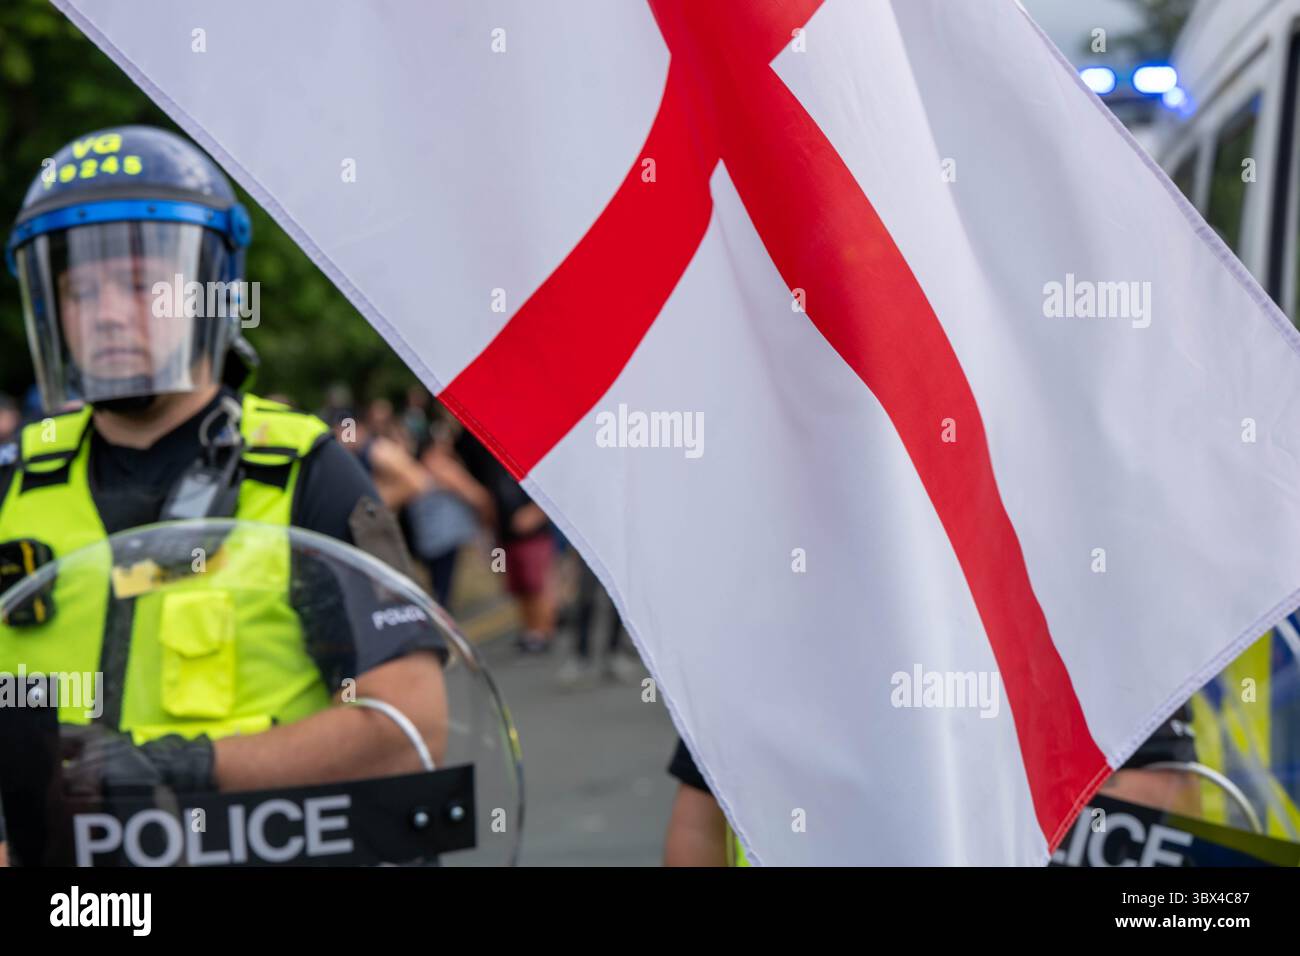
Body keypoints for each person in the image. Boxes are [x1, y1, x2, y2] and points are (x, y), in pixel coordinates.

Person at [0, 126, 446, 864]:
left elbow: (411, 726)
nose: (107, 312)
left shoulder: (302, 469)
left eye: (141, 285)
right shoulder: (14, 478)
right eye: (81, 290)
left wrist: (186, 770)